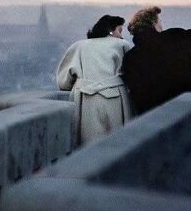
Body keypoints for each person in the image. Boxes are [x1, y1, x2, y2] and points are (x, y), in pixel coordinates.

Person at [56, 15, 133, 145]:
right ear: (110, 30)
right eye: (120, 31)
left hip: (84, 100)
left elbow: (64, 81)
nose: (121, 36)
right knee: (117, 144)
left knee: (87, 145)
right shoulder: (122, 45)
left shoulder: (78, 46)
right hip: (116, 99)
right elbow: (132, 72)